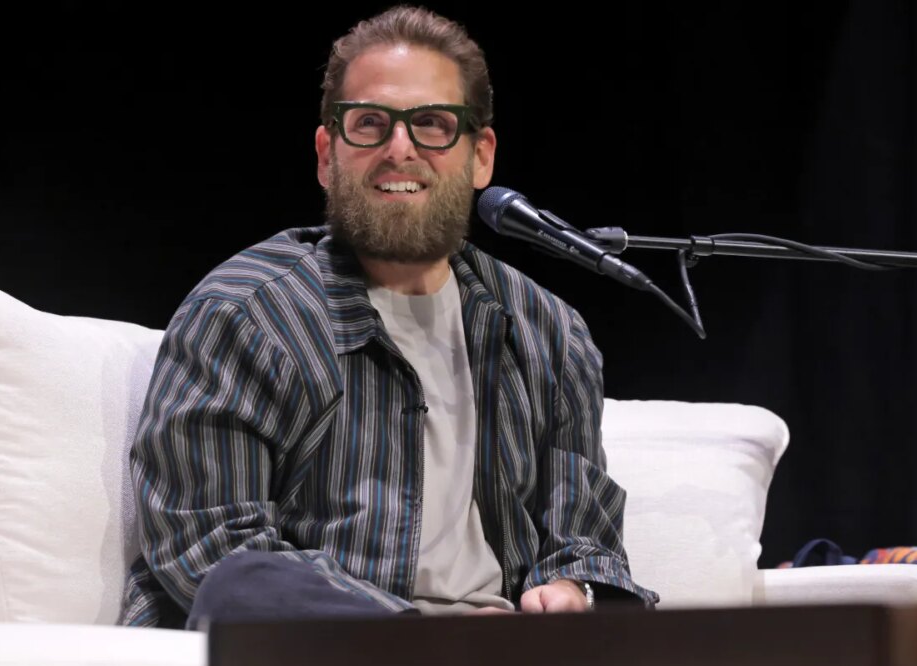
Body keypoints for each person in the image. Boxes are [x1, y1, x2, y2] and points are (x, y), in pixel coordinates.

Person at [121, 5, 658, 628]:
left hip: (504, 652)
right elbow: (209, 549)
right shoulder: (245, 315)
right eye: (370, 123)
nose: (399, 150)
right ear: (327, 154)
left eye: (432, 123)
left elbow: (584, 537)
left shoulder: (548, 331)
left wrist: (572, 588)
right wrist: (424, 641)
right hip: (324, 651)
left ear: (481, 155)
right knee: (245, 582)